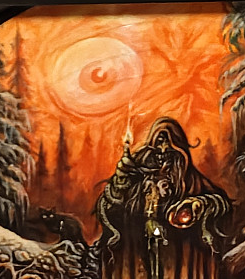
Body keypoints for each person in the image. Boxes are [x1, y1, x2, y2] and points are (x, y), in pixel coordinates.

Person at [96, 118, 230, 279]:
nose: (164, 148)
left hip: (176, 256)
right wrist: (120, 183)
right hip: (139, 250)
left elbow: (221, 203)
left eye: (169, 143)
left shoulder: (190, 180)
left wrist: (199, 204)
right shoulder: (137, 174)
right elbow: (111, 207)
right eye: (160, 142)